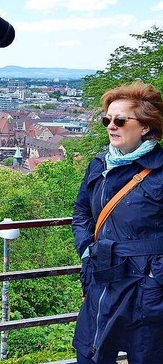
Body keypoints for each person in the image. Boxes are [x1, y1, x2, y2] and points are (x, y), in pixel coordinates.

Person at [72, 81, 163, 364]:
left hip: (145, 285)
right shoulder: (100, 165)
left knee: (146, 356)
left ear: (146, 126)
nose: (111, 126)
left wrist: (157, 276)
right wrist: (87, 248)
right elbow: (81, 212)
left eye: (121, 120)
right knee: (89, 354)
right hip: (102, 276)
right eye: (107, 120)